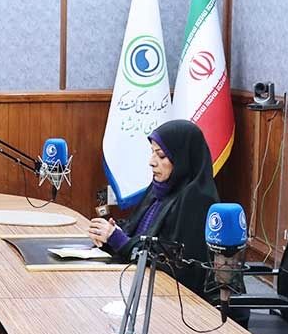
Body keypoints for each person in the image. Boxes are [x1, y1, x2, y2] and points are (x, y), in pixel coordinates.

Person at [88, 119, 229, 307]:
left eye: (161, 155)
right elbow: (139, 233)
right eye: (152, 152)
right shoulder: (160, 188)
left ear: (182, 158)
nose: (152, 162)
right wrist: (108, 234)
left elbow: (176, 266)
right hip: (141, 286)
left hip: (176, 302)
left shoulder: (198, 200)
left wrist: (120, 241)